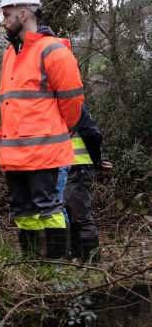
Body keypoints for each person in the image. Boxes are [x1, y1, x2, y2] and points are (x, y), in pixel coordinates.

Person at [0, 0, 83, 258]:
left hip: (45, 151)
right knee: (22, 209)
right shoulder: (10, 53)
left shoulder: (53, 51)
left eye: (6, 15)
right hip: (15, 152)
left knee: (49, 208)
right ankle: (33, 266)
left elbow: (72, 104)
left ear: (24, 14)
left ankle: (56, 269)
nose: (3, 21)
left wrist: (56, 132)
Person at [65, 104, 112, 262]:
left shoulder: (74, 106)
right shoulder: (63, 105)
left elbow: (93, 135)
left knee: (81, 218)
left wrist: (97, 159)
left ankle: (92, 264)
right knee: (69, 218)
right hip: (70, 168)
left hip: (78, 169)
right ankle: (78, 260)